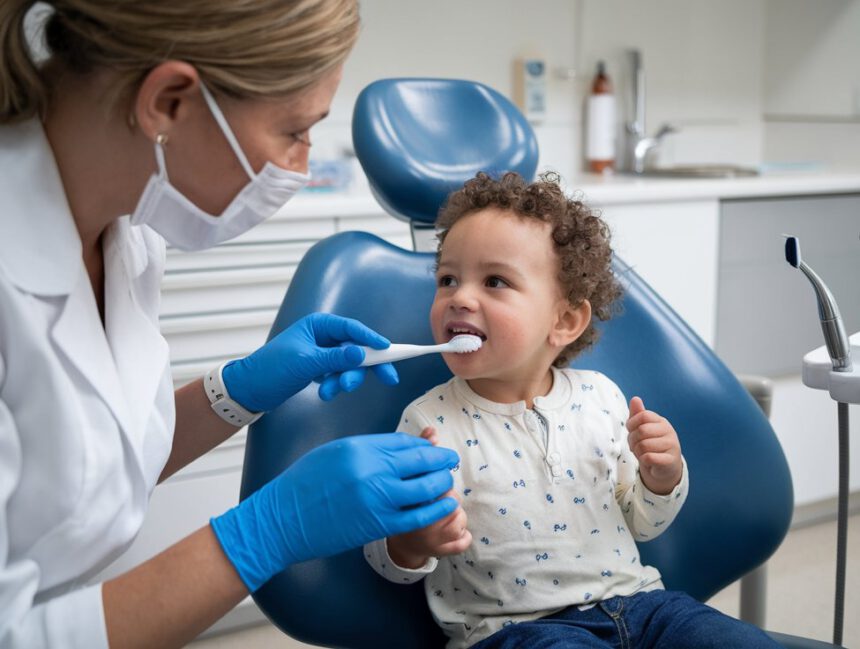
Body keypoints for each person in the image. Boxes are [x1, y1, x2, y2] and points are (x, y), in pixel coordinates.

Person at [0, 1, 461, 647]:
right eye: (294, 131)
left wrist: (238, 389)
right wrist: (267, 530)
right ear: (169, 102)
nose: (300, 167)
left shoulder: (125, 230)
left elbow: (88, 461)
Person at [364, 172, 781, 649]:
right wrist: (414, 541)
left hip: (644, 607)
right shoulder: (429, 423)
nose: (459, 296)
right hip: (519, 631)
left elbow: (643, 522)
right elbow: (384, 558)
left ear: (564, 321)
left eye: (494, 280)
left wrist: (660, 477)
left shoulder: (601, 397)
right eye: (448, 279)